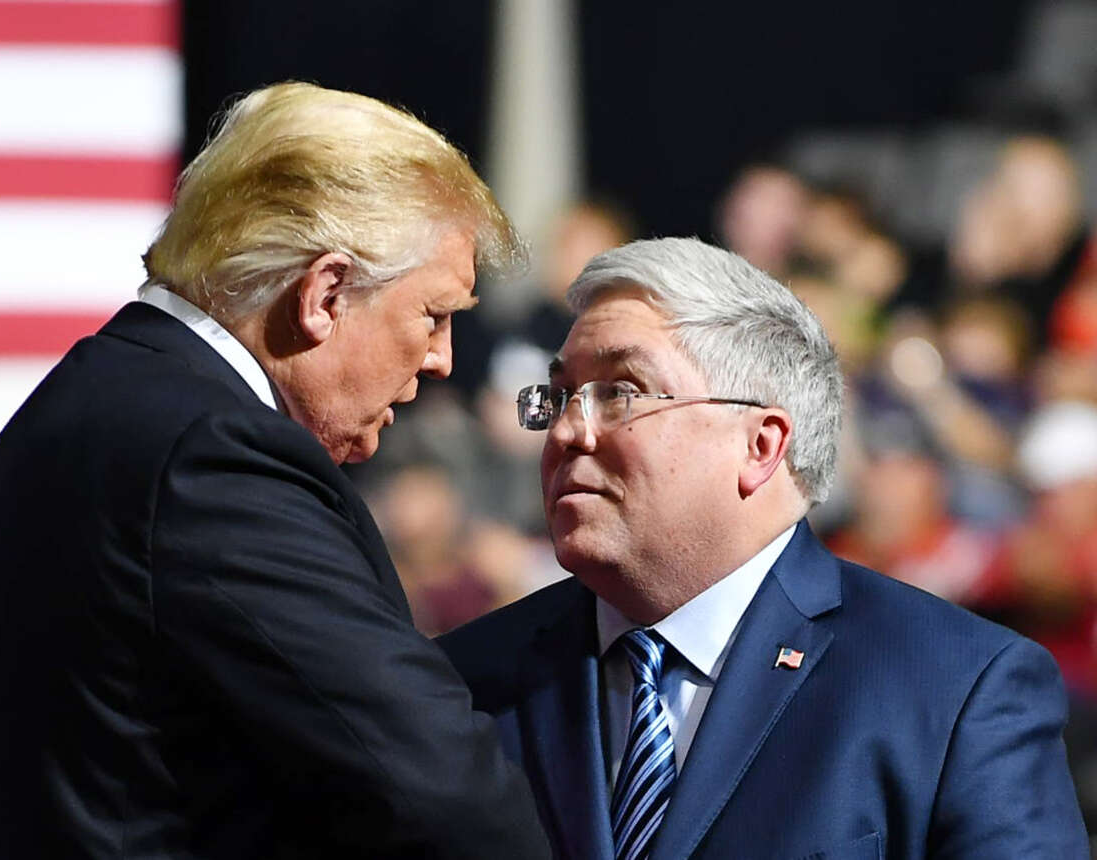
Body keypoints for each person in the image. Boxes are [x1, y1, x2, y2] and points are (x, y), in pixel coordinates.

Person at [0, 82, 551, 859]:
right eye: (434, 314)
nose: (442, 359)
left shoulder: (99, 404)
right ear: (326, 293)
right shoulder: (212, 460)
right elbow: (440, 792)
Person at [439, 236, 1087, 859]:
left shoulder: (955, 688)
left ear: (761, 446)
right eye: (557, 398)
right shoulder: (460, 684)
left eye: (619, 393)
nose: (567, 433)